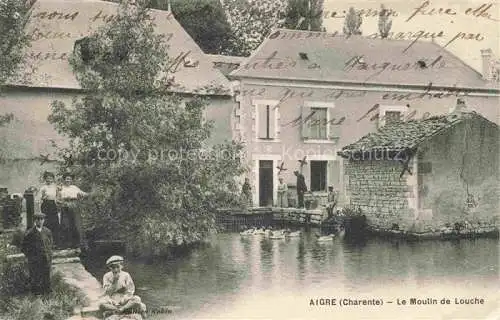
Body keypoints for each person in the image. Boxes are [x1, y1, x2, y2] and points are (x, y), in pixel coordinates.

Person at [21, 212, 53, 295]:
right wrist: (31, 256)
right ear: (35, 221)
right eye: (38, 219)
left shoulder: (47, 231)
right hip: (35, 260)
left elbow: (50, 244)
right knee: (36, 276)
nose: (40, 221)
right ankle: (36, 294)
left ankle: (47, 293)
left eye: (42, 219)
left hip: (46, 258)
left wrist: (49, 255)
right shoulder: (30, 233)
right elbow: (24, 248)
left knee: (46, 276)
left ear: (44, 220)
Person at [57, 172, 87, 249]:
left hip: (74, 205)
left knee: (76, 224)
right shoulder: (60, 187)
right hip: (65, 205)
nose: (68, 180)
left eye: (69, 179)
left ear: (71, 180)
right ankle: (66, 244)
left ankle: (77, 244)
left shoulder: (74, 187)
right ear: (64, 179)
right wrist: (61, 202)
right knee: (66, 225)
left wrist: (84, 195)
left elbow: (83, 194)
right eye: (66, 179)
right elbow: (58, 198)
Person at [40, 171, 60, 248]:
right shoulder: (43, 188)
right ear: (45, 179)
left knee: (54, 223)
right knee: (46, 223)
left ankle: (55, 243)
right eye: (47, 178)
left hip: (53, 205)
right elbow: (39, 198)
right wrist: (43, 197)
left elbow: (58, 197)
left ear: (53, 179)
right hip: (45, 205)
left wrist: (58, 203)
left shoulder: (56, 187)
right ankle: (46, 242)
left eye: (50, 178)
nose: (49, 180)